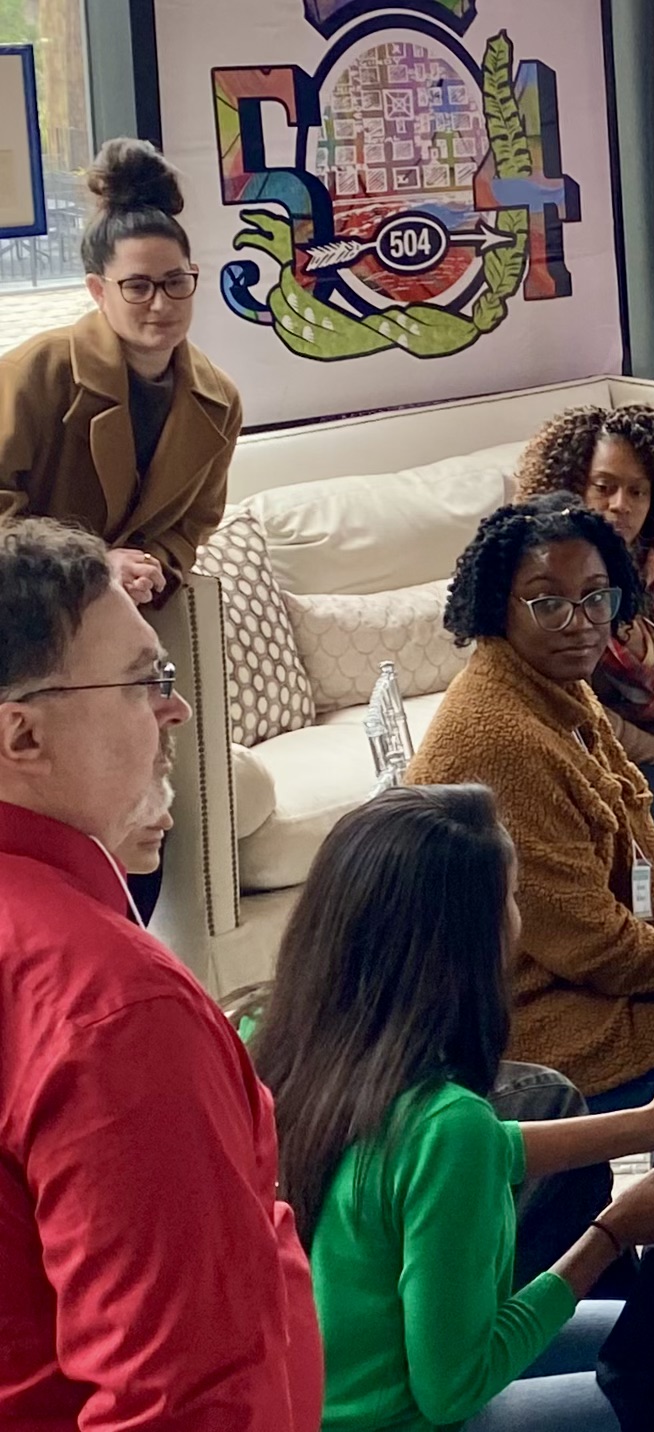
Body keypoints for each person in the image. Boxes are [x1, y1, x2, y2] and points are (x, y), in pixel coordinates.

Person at [250, 785, 654, 1432]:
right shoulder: (445, 1126)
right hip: (427, 1413)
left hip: (312, 1407)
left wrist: (652, 1124)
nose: (519, 923)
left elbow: (480, 1149)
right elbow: (455, 1387)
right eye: (511, 901)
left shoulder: (274, 1054)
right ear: (464, 943)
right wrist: (611, 1234)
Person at [0, 518, 321, 1430]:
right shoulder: (110, 1007)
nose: (174, 709)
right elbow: (183, 1400)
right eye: (146, 680)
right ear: (22, 734)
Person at [408, 495, 654, 1112]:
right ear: (498, 608)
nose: (582, 622)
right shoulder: (500, 739)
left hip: (577, 979)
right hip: (518, 1023)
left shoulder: (560, 689)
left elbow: (639, 879)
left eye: (598, 596)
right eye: (548, 603)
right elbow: (596, 945)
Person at [514, 403, 654, 902]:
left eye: (637, 490)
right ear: (573, 484)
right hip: (605, 760)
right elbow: (582, 713)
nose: (621, 503)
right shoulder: (557, 582)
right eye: (604, 486)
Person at [0, 139, 242, 605]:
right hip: (22, 614)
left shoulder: (220, 401)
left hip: (132, 618)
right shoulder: (33, 374)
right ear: (97, 289)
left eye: (175, 281)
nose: (161, 303)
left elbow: (193, 525)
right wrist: (90, 564)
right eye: (137, 286)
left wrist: (146, 566)